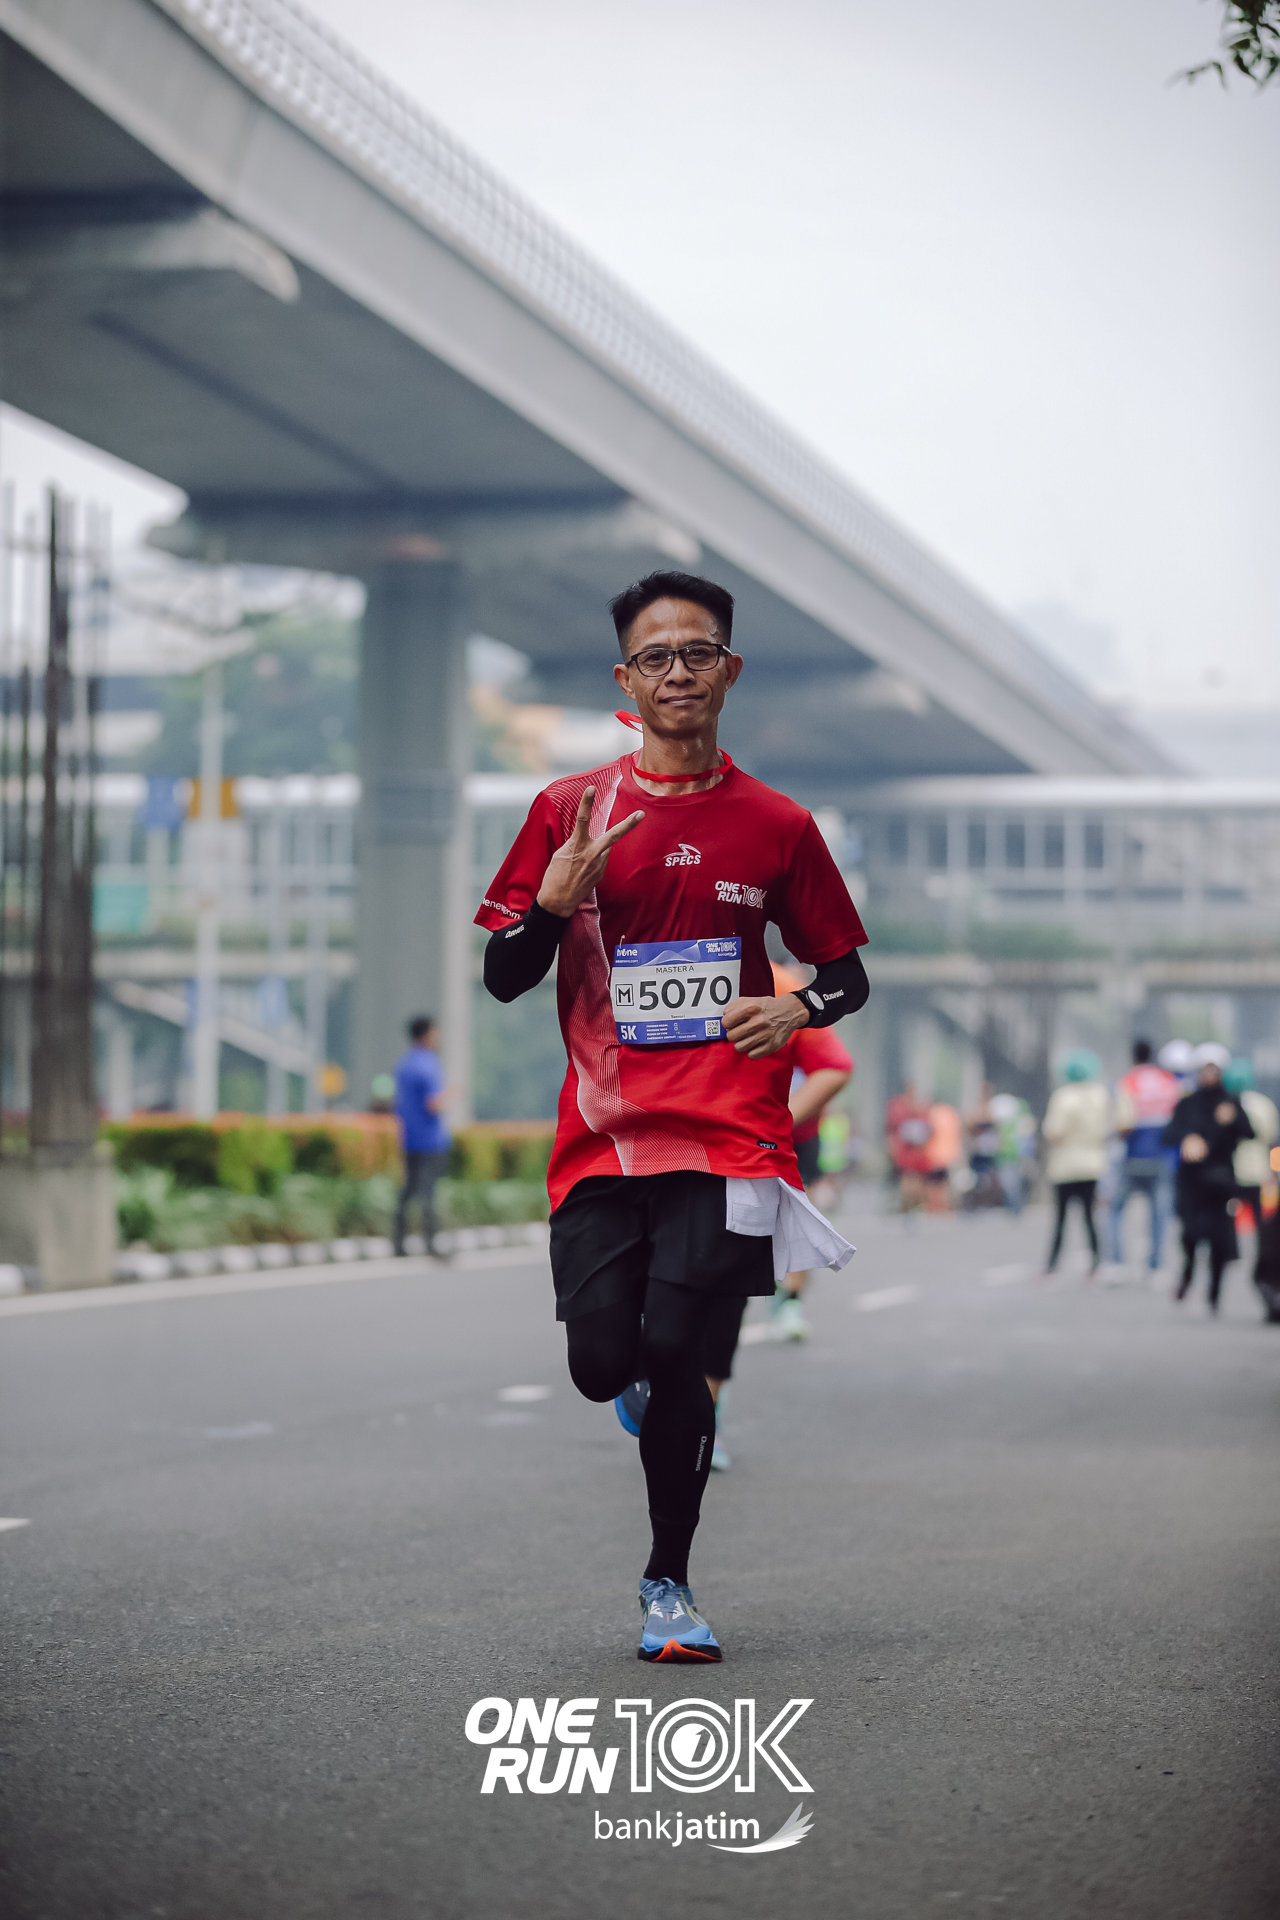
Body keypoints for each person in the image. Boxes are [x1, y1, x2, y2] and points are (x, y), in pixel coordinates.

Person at [477, 570, 869, 1662]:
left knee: (682, 1346)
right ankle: (641, 1389)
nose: (678, 672)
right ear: (625, 680)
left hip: (729, 1134)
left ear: (729, 671)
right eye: (656, 657)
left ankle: (668, 1586)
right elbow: (504, 978)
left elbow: (845, 976)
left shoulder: (777, 825)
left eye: (697, 653)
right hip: (604, 1137)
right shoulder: (568, 812)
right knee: (604, 1362)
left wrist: (792, 1008)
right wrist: (551, 908)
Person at [1162, 1043, 1253, 1313]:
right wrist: (1187, 1139)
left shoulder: (1230, 1102)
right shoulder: (1188, 1103)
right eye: (1205, 1070)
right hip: (1191, 1180)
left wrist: (1232, 1119)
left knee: (1219, 1239)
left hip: (1221, 1180)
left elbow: (1249, 1133)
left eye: (1214, 1070)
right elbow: (1168, 1134)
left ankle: (1214, 1293)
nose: (1209, 1075)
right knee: (1190, 1234)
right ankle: (1187, 1274)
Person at [1109, 1039, 1180, 1272]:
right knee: (1159, 1213)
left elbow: (1124, 1122)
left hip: (1133, 1156)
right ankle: (1155, 1264)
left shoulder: (1128, 1082)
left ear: (1133, 1056)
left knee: (1115, 1210)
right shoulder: (1168, 1081)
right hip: (1162, 1156)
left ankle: (1117, 1262)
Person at [1041, 1050, 1110, 1275]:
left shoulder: (1063, 1097)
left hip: (1065, 1166)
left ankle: (1052, 1265)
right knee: (1090, 1218)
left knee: (1060, 1219)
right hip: (1092, 1165)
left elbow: (1054, 1132)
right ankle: (1096, 1262)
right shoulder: (1100, 1095)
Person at [391, 1016, 451, 1255]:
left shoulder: (404, 1064)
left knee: (408, 1190)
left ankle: (398, 1242)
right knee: (429, 1192)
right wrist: (452, 1096)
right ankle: (430, 1243)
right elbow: (433, 1104)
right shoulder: (430, 1064)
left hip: (409, 1137)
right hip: (430, 1139)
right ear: (427, 1034)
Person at [1221, 1058, 1278, 1312]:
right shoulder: (1263, 1104)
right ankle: (1259, 1252)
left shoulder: (1226, 1104)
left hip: (1233, 1169)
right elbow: (1271, 1137)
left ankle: (1233, 1255)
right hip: (1258, 1170)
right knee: (1261, 1222)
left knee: (1229, 1216)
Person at [885, 1082, 933, 1214]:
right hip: (905, 1151)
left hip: (919, 1151)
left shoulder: (922, 1107)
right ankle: (906, 1205)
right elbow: (892, 1128)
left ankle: (916, 1205)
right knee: (907, 1178)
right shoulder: (897, 1106)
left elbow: (927, 1129)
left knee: (917, 1180)